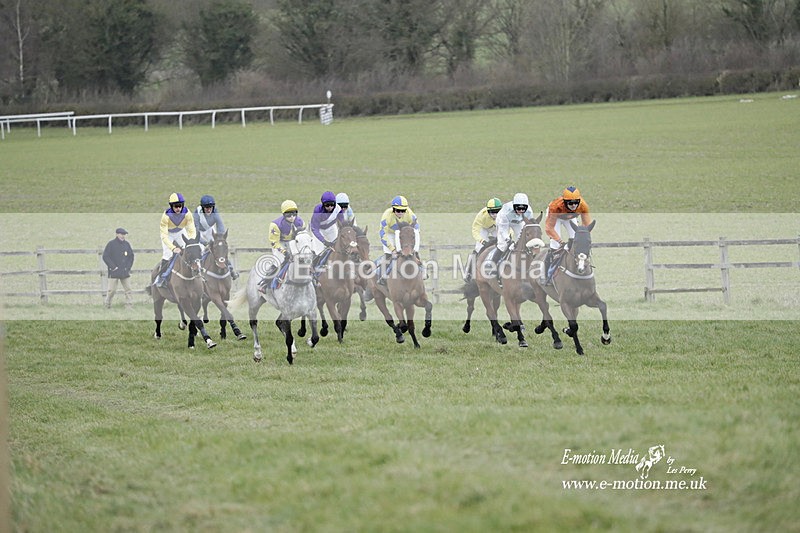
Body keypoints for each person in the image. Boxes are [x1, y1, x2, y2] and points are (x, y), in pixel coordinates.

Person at [541, 186, 592, 285]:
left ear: (579, 201)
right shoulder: (555, 206)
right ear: (564, 202)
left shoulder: (583, 205)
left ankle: (577, 266)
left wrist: (583, 239)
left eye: (575, 202)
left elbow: (586, 226)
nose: (573, 205)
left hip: (569, 218)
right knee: (554, 245)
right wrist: (560, 241)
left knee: (575, 240)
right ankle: (546, 275)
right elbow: (549, 228)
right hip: (556, 217)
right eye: (570, 203)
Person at [486, 192, 533, 276]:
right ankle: (492, 266)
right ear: (514, 206)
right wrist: (509, 241)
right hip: (504, 222)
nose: (521, 211)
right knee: (502, 245)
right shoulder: (505, 212)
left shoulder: (529, 211)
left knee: (524, 242)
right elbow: (503, 229)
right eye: (518, 208)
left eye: (523, 208)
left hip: (518, 222)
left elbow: (529, 225)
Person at [155, 192, 196, 288]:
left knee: (189, 250)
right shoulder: (166, 216)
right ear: (171, 206)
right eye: (175, 206)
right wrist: (173, 248)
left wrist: (191, 241)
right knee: (168, 254)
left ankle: (194, 271)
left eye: (179, 206)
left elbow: (191, 230)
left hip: (180, 232)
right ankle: (161, 277)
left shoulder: (187, 213)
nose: (178, 208)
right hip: (168, 234)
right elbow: (164, 236)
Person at [378, 195, 420, 284]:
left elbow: (416, 231)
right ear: (393, 209)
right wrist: (392, 249)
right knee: (390, 255)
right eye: (397, 210)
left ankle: (421, 269)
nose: (400, 212)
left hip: (404, 233)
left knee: (412, 252)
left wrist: (413, 248)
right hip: (390, 234)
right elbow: (382, 234)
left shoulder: (410, 214)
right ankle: (383, 275)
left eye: (403, 210)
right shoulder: (387, 215)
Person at [194, 194, 238, 279]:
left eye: (211, 207)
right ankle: (200, 271)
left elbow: (220, 224)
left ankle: (231, 270)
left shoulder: (215, 211)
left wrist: (220, 237)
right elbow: (195, 231)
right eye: (207, 207)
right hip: (199, 233)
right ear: (202, 207)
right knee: (202, 250)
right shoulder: (197, 213)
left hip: (209, 230)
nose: (209, 209)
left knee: (218, 248)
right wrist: (204, 242)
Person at [263, 200, 307, 283]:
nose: (292, 217)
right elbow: (274, 242)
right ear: (283, 215)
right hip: (280, 243)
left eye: (294, 214)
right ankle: (265, 282)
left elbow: (303, 237)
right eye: (289, 215)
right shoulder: (275, 225)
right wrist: (284, 251)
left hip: (293, 242)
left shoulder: (301, 222)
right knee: (279, 261)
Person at [465, 197, 502, 281]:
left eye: (497, 212)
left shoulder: (504, 215)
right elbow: (475, 230)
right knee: (478, 248)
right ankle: (468, 271)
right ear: (487, 211)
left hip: (497, 228)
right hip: (484, 228)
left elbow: (508, 229)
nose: (495, 215)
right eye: (492, 212)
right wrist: (482, 240)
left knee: (504, 245)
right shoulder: (481, 215)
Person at [102, 227, 135, 308]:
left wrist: (128, 268)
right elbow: (105, 256)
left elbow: (131, 257)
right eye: (121, 234)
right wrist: (113, 267)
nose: (123, 236)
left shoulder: (127, 244)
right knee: (111, 290)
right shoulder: (111, 244)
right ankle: (107, 304)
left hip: (124, 272)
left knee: (128, 290)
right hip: (114, 272)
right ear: (117, 234)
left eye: (124, 234)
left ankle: (129, 305)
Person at [310, 191, 341, 260]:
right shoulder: (318, 210)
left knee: (336, 247)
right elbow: (315, 229)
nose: (330, 207)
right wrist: (324, 241)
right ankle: (315, 266)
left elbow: (342, 224)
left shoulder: (338, 209)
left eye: (332, 204)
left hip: (331, 227)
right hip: (318, 229)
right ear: (323, 204)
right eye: (327, 205)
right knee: (319, 250)